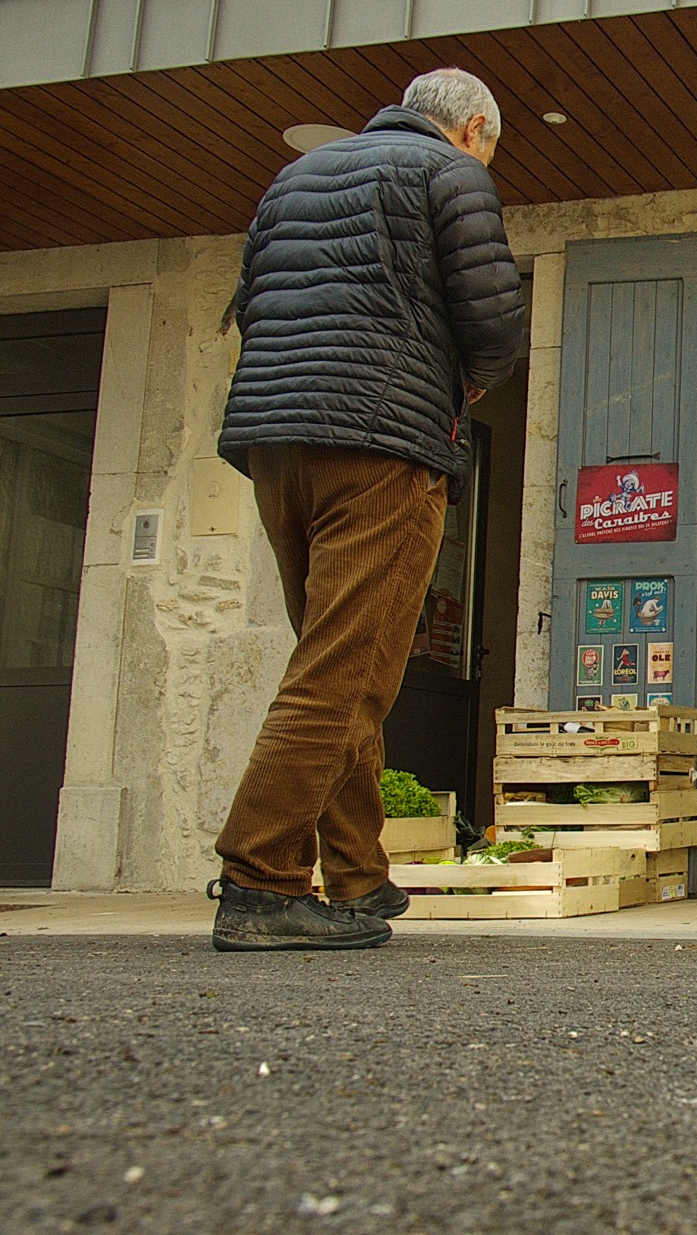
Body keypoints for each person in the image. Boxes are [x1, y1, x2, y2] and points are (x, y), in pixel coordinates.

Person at [208, 68, 527, 951]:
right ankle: (259, 877)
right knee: (342, 673)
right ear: (471, 129)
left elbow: (252, 303)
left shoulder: (297, 176)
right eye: (492, 146)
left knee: (339, 659)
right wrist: (454, 389)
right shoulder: (450, 174)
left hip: (276, 444)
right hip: (379, 442)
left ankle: (356, 874)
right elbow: (496, 323)